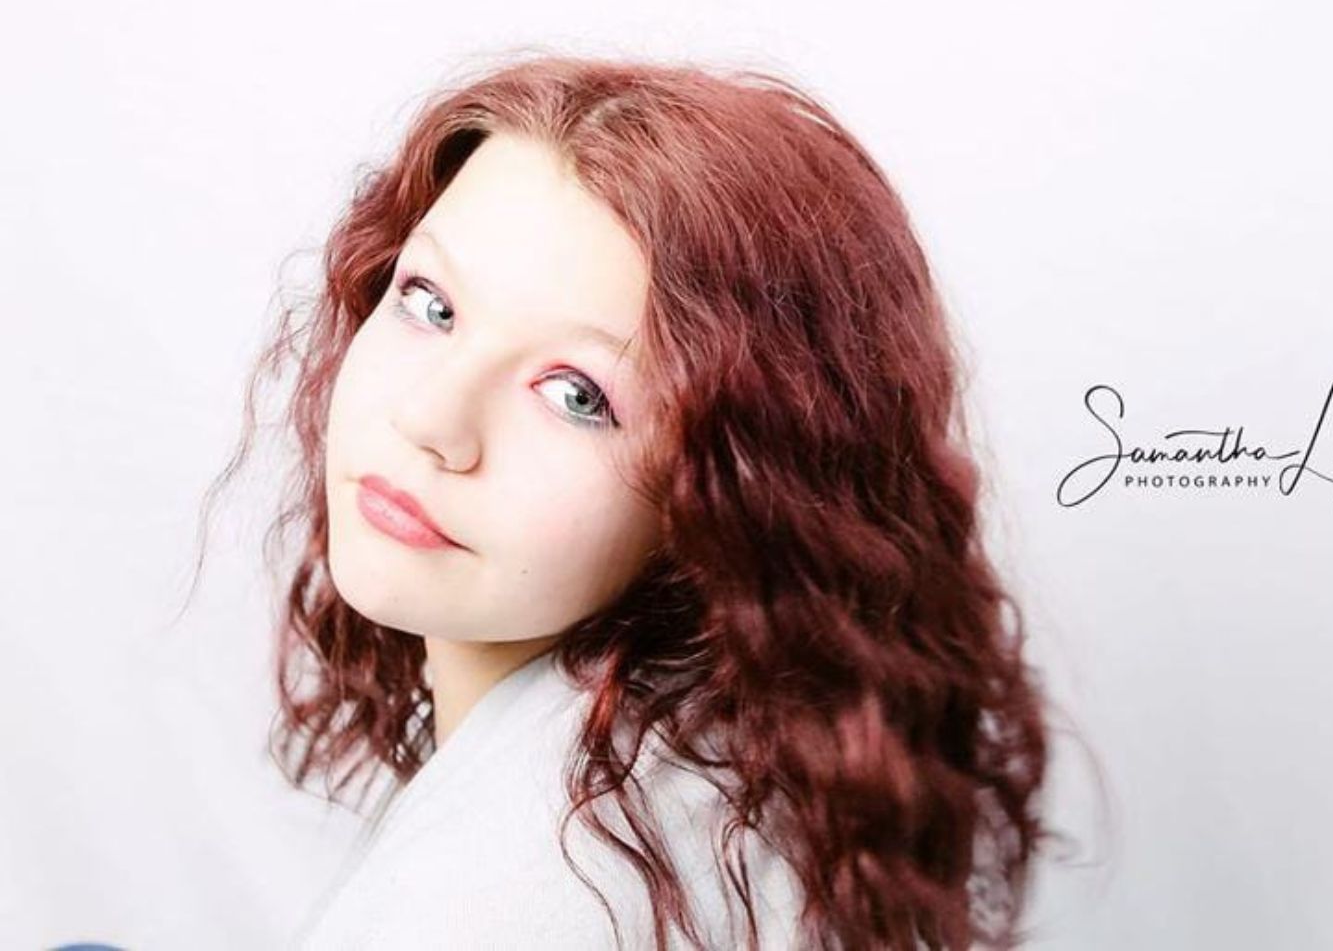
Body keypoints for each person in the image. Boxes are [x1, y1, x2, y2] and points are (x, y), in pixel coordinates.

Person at [187, 49, 1060, 950]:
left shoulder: (517, 893)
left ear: (728, 489)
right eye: (430, 304)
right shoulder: (725, 755)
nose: (430, 418)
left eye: (576, 394)